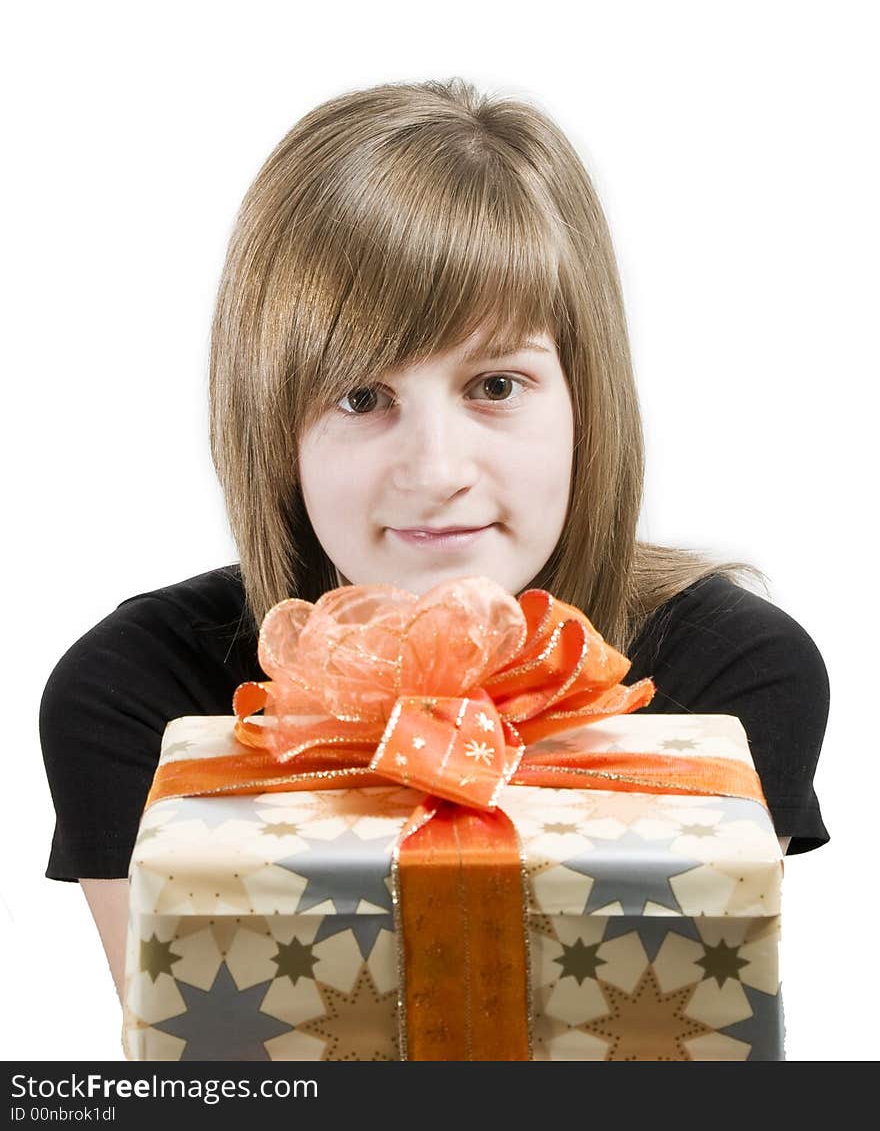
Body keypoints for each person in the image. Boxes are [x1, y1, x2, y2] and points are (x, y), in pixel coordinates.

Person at [39, 77, 830, 1007]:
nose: (435, 469)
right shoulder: (138, 699)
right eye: (362, 397)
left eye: (495, 386)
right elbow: (207, 1071)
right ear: (270, 422)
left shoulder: (730, 683)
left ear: (587, 398)